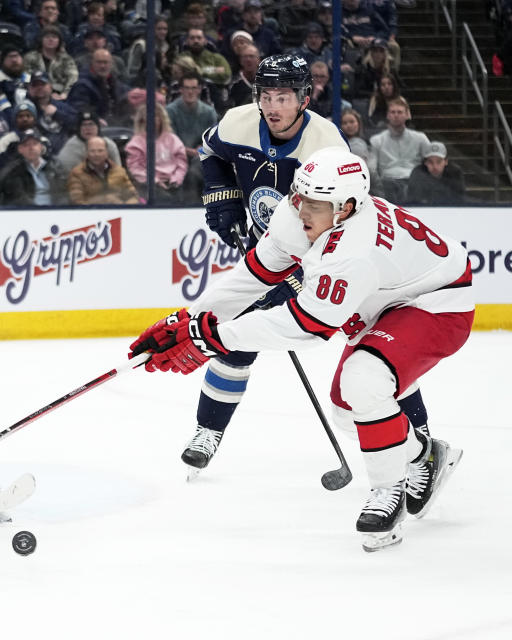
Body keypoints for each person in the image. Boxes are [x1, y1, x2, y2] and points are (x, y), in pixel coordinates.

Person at [130, 146, 469, 551]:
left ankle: (387, 493)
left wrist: (214, 338)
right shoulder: (301, 214)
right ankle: (424, 457)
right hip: (383, 296)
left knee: (364, 383)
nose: (302, 210)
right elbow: (255, 274)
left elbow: (304, 326)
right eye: (299, 197)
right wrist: (188, 320)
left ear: (345, 208)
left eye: (315, 204)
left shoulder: (353, 252)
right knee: (348, 410)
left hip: (436, 301)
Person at [184, 54, 388, 479]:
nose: (272, 106)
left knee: (374, 345)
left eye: (283, 97)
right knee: (238, 339)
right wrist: (221, 195)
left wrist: (303, 272)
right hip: (271, 247)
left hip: (326, 255)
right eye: (266, 96)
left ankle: (415, 437)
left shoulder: (327, 143)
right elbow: (209, 151)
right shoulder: (239, 122)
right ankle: (208, 430)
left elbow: (347, 217)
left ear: (304, 98)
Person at [167, 72, 217, 204]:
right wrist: (189, 151)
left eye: (194, 88)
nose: (190, 92)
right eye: (187, 88)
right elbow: (168, 141)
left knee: (195, 170)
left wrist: (202, 149)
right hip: (174, 155)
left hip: (200, 156)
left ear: (199, 90)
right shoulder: (170, 111)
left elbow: (212, 140)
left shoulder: (209, 112)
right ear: (181, 90)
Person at [368, 97, 429, 203]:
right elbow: (371, 169)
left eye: (400, 112)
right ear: (388, 115)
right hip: (387, 183)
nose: (396, 115)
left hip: (414, 183)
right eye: (393, 112)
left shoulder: (420, 138)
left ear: (407, 115)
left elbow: (431, 161)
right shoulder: (376, 140)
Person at [125, 102, 188, 204]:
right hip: (149, 185)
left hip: (173, 183)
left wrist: (176, 179)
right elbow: (135, 169)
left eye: (156, 116)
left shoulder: (173, 139)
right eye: (148, 117)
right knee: (165, 199)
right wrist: (155, 181)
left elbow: (182, 163)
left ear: (162, 119)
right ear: (142, 121)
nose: (152, 120)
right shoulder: (136, 143)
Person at [0, 130, 64, 206]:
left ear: (41, 147)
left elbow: (62, 193)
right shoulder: (14, 171)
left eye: (35, 144)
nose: (31, 148)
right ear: (20, 149)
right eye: (26, 145)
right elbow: (19, 198)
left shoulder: (55, 166)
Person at [67, 136, 138, 204]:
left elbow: (133, 196)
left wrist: (123, 206)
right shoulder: (76, 173)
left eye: (100, 151)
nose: (96, 154)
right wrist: (104, 200)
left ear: (107, 152)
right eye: (92, 151)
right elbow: (77, 203)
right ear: (87, 153)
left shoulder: (119, 171)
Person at [55, 110, 122, 177]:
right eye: (84, 125)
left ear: (98, 127)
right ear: (79, 128)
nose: (88, 128)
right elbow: (69, 173)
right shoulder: (71, 147)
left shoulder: (108, 144)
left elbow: (118, 171)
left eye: (91, 124)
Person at [23, 26, 78, 98]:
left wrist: (65, 94)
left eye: (54, 37)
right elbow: (25, 77)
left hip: (60, 95)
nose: (50, 39)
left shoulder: (66, 59)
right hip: (35, 93)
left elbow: (73, 78)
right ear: (41, 40)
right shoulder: (30, 57)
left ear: (59, 41)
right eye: (47, 37)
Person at [405, 141, 467, 205]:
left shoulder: (455, 173)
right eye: (430, 162)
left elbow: (460, 199)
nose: (435, 166)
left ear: (446, 161)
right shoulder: (418, 173)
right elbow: (412, 200)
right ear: (425, 162)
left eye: (439, 162)